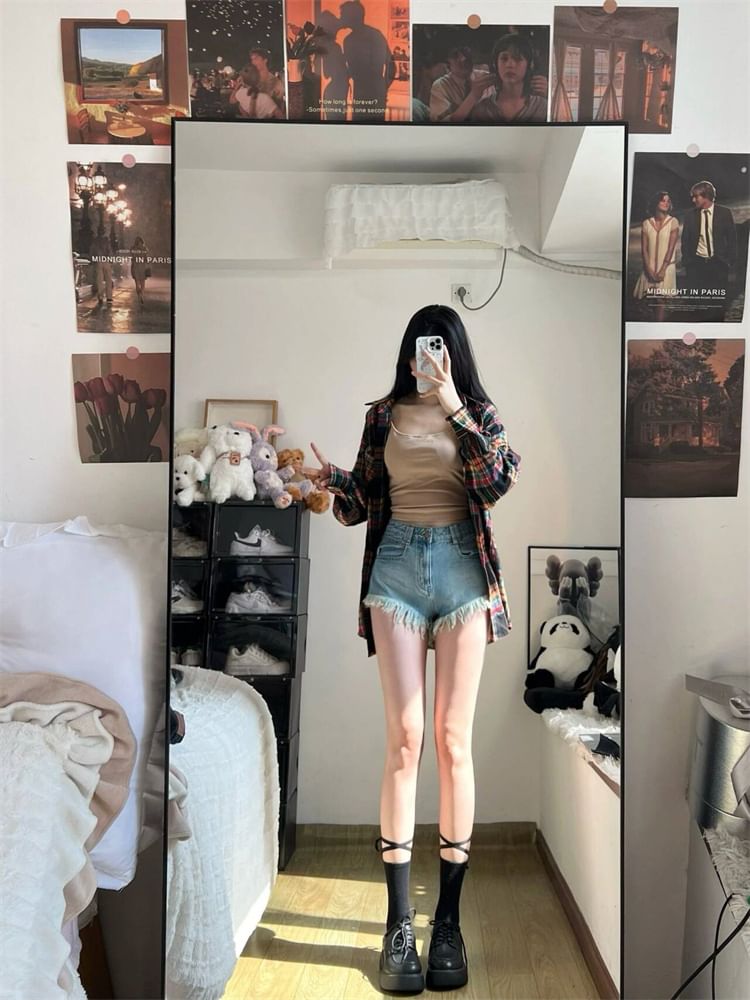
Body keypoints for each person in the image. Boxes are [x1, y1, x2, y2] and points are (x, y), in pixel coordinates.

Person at [307, 305, 521, 993]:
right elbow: (362, 503)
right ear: (407, 353)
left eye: (439, 348)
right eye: (419, 348)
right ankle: (398, 925)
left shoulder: (478, 414)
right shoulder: (383, 416)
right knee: (405, 741)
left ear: (453, 355)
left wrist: (452, 402)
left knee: (454, 742)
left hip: (465, 572)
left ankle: (447, 922)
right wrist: (332, 482)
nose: (426, 358)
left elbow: (495, 484)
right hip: (396, 566)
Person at [680, 180, 737, 320]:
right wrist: (688, 262)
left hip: (719, 264)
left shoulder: (724, 213)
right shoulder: (690, 215)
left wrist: (729, 262)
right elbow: (685, 241)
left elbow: (732, 239)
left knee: (719, 304)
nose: (693, 200)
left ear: (706, 196)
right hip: (696, 265)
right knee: (698, 305)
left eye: (696, 196)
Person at [470, 33, 548, 123]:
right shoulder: (482, 109)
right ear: (496, 64)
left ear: (529, 65)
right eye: (504, 58)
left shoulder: (541, 107)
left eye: (518, 59)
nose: (510, 65)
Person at [339, 0, 395, 121]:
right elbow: (353, 69)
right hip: (360, 94)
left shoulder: (374, 36)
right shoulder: (348, 40)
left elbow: (391, 65)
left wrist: (382, 89)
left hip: (375, 95)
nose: (340, 18)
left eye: (343, 14)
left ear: (352, 16)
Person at [633, 191, 680, 321]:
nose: (666, 203)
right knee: (649, 299)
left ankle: (658, 325)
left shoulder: (673, 222)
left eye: (668, 201)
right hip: (649, 267)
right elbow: (644, 250)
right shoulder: (646, 223)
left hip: (666, 267)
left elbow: (671, 248)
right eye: (663, 200)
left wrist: (663, 269)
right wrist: (648, 269)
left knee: (660, 300)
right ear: (655, 203)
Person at [316, 11, 350, 121]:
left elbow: (327, 73)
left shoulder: (326, 46)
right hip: (335, 93)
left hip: (334, 92)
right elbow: (332, 72)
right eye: (334, 26)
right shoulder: (334, 47)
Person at [248, 48, 286, 114]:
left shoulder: (275, 82)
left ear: (265, 60)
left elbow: (280, 105)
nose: (253, 62)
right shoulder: (251, 80)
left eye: (256, 59)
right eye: (252, 59)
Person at [90, 228, 113, 306]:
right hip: (106, 260)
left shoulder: (95, 241)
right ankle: (109, 297)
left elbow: (92, 250)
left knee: (99, 280)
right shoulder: (106, 241)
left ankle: (100, 297)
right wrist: (111, 260)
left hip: (98, 260)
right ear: (104, 232)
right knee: (108, 279)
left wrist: (92, 259)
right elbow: (110, 251)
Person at [130, 235, 149, 306]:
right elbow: (146, 258)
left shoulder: (133, 248)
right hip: (142, 266)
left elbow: (132, 257)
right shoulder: (144, 249)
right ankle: (142, 294)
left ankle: (139, 295)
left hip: (135, 266)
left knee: (137, 282)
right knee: (142, 282)